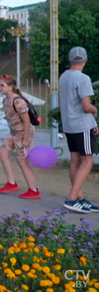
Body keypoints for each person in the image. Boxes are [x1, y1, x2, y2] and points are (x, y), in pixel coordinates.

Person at [59, 46, 99, 213]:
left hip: (69, 125)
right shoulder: (83, 78)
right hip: (82, 125)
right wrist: (95, 111)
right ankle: (72, 197)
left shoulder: (64, 77)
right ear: (86, 61)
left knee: (75, 159)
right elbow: (85, 106)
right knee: (88, 161)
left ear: (69, 60)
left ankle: (80, 197)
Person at [0, 75, 40, 199]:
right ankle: (11, 183)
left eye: (2, 85)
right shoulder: (6, 100)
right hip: (14, 133)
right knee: (3, 153)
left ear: (11, 87)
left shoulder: (18, 101)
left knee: (22, 160)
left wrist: (25, 139)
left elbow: (26, 121)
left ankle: (33, 190)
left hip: (23, 133)